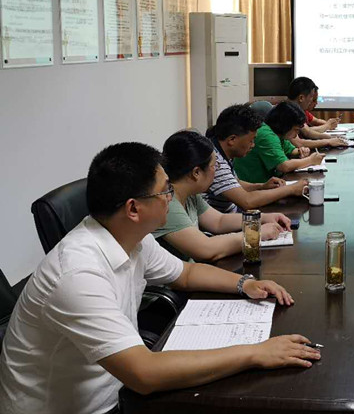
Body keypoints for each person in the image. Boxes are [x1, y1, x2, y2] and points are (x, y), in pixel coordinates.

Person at [0, 142, 320, 414]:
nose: (171, 196)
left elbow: (186, 273)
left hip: (119, 388)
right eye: (165, 189)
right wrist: (255, 353)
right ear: (133, 209)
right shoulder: (77, 274)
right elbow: (144, 374)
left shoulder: (133, 237)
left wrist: (244, 284)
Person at [155, 130, 293, 262]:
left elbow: (218, 221)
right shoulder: (168, 204)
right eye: (214, 166)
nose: (216, 171)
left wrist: (262, 218)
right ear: (196, 173)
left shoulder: (190, 194)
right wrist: (256, 233)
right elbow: (206, 249)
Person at [204, 103, 307, 213]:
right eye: (251, 140)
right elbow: (247, 201)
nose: (253, 145)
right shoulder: (215, 162)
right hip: (226, 218)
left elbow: (236, 183)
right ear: (232, 140)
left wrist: (262, 186)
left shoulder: (221, 151)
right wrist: (291, 189)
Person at [235, 101, 327, 183]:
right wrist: (310, 160)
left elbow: (292, 151)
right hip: (254, 187)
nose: (297, 134)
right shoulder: (266, 134)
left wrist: (301, 151)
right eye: (296, 130)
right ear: (286, 125)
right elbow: (284, 166)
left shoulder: (278, 133)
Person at [287, 77, 345, 148]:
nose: (311, 101)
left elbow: (308, 132)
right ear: (301, 98)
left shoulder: (294, 110)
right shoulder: (286, 112)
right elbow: (299, 143)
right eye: (311, 97)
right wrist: (328, 141)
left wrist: (331, 137)